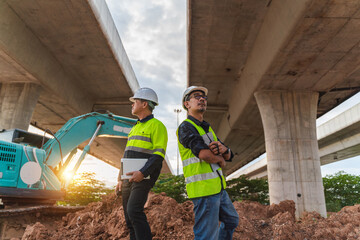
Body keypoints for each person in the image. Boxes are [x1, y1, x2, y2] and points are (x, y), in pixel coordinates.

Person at [177, 86, 239, 240]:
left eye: (204, 97)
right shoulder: (186, 127)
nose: (202, 99)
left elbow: (229, 154)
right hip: (203, 191)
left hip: (218, 188)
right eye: (196, 96)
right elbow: (204, 154)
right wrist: (219, 159)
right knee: (206, 236)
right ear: (187, 104)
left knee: (231, 220)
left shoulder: (207, 128)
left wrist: (223, 150)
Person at [116, 87, 168, 240]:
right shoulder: (135, 128)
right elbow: (126, 154)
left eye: (135, 101)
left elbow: (158, 156)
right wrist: (120, 177)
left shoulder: (157, 126)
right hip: (128, 177)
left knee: (134, 211)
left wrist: (143, 173)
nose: (132, 104)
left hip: (143, 176)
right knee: (129, 218)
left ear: (144, 104)